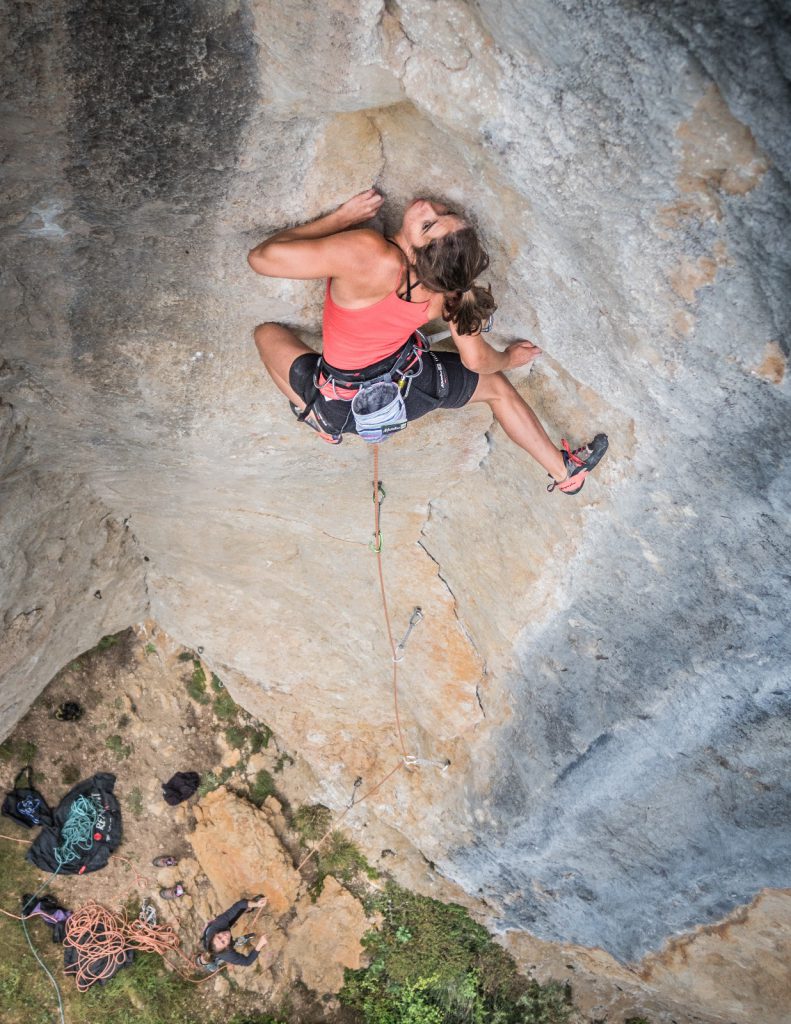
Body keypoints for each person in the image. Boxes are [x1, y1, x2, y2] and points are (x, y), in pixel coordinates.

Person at [248, 190, 607, 493]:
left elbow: (261, 258)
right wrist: (509, 359)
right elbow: (478, 362)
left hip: (343, 408)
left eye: (428, 224)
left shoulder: (368, 252)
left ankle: (322, 421)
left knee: (266, 335)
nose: (427, 206)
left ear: (421, 252)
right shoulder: (449, 291)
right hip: (411, 388)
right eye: (443, 212)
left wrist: (340, 218)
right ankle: (566, 476)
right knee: (497, 388)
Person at [195, 895, 268, 973]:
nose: (224, 936)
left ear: (215, 934)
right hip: (221, 936)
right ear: (227, 947)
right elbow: (247, 962)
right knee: (234, 933)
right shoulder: (228, 954)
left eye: (219, 937)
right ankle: (246, 908)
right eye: (223, 941)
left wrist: (256, 904)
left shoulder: (213, 930)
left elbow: (237, 906)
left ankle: (247, 908)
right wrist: (260, 944)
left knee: (232, 917)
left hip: (218, 927)